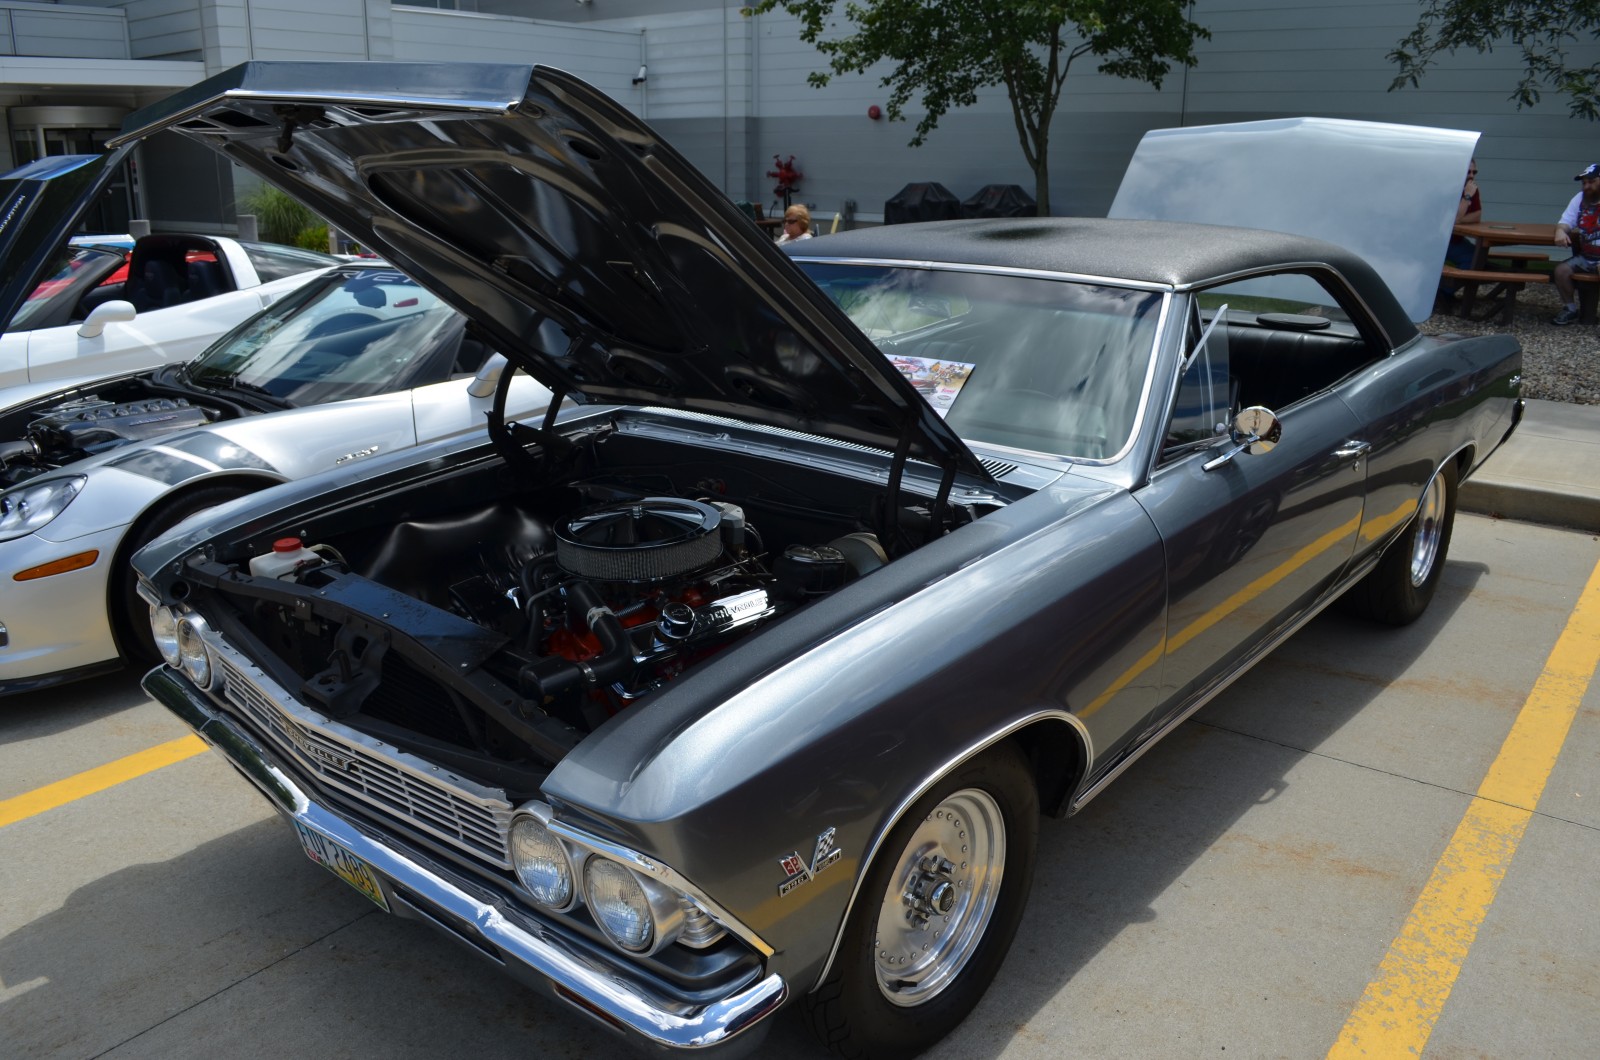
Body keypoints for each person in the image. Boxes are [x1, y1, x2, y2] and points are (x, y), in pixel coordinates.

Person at [1552, 163, 1600, 325]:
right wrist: (1560, 231)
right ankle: (1570, 309)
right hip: (1587, 256)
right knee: (1561, 271)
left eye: (1591, 182)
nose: (1586, 186)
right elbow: (1565, 222)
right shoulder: (1579, 198)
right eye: (1584, 183)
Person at [1439, 159, 1482, 296]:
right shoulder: (1449, 189)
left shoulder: (1471, 188)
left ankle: (1445, 291)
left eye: (1474, 172)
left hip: (1455, 239)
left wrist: (1458, 220)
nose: (1471, 176)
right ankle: (1443, 293)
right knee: (1474, 258)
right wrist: (1467, 196)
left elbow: (1477, 215)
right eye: (1468, 172)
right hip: (1439, 241)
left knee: (1478, 256)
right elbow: (1456, 217)